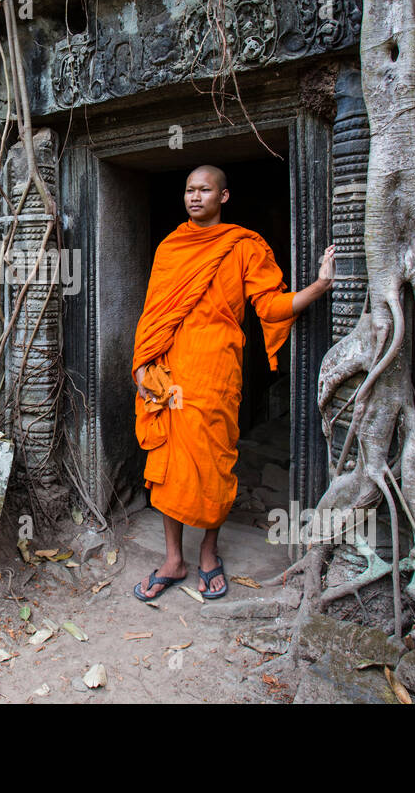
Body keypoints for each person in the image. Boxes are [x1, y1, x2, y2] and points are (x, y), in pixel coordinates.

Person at [131, 164, 335, 600]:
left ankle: (208, 553)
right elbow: (152, 313)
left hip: (218, 371)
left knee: (215, 464)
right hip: (171, 369)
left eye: (205, 190)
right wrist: (142, 364)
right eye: (189, 190)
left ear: (223, 196)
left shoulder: (242, 246)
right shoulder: (171, 247)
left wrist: (318, 286)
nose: (195, 197)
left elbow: (271, 305)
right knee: (167, 463)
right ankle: (173, 558)